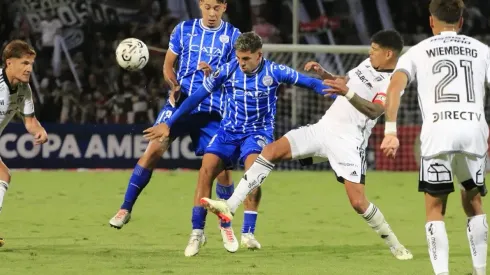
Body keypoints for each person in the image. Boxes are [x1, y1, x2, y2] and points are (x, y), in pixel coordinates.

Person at [197, 30, 413, 260]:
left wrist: (347, 93)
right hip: (322, 129)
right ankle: (229, 206)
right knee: (270, 151)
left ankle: (395, 244)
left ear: (388, 53)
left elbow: (376, 110)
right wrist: (324, 74)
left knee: (358, 203)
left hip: (348, 142)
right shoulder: (367, 65)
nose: (370, 53)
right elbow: (344, 83)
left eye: (374, 50)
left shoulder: (391, 82)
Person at [143, 31, 334, 256]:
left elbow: (311, 83)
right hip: (228, 131)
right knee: (206, 171)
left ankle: (248, 234)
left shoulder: (274, 71)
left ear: (258, 55)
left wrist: (343, 98)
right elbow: (196, 97)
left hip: (257, 132)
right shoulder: (228, 69)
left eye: (246, 58)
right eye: (238, 57)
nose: (241, 63)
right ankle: (197, 232)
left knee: (253, 172)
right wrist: (170, 123)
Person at [108, 0, 251, 256]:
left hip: (214, 108)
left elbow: (238, 72)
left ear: (224, 7)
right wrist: (173, 85)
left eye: (216, 8)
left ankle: (223, 222)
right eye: (207, 6)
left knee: (222, 172)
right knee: (153, 150)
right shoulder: (183, 29)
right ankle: (125, 208)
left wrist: (214, 73)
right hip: (181, 102)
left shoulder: (233, 36)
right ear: (200, 4)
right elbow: (167, 66)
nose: (211, 13)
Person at [380, 0, 489, 274]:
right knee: (474, 202)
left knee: (435, 208)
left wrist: (390, 132)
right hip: (473, 132)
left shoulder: (417, 52)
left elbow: (394, 89)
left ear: (431, 21)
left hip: (437, 133)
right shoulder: (482, 50)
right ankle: (478, 270)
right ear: (461, 21)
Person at [0, 40, 49, 247]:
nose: (29, 69)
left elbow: (29, 121)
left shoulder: (24, 90)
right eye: (25, 63)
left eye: (31, 64)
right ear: (9, 63)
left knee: (3, 175)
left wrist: (39, 130)